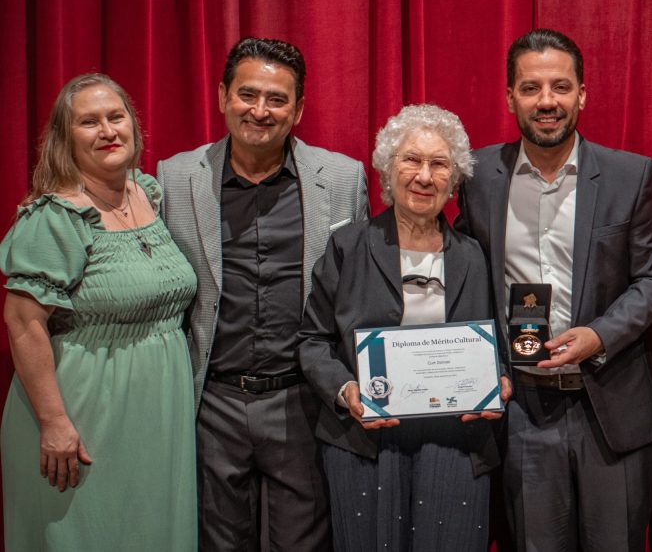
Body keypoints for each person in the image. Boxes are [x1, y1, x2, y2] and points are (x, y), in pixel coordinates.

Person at [455, 28, 652, 552]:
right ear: (510, 97)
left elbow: (651, 281)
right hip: (522, 411)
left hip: (608, 406)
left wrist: (599, 334)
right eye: (530, 88)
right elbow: (462, 277)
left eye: (560, 87)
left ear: (582, 94)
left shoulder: (629, 175)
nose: (546, 101)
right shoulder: (478, 176)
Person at [157, 37, 368, 550]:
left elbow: (359, 293)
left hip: (302, 400)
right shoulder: (175, 177)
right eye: (248, 94)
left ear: (298, 108)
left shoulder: (342, 178)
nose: (260, 110)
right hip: (212, 402)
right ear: (223, 96)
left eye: (277, 99)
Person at [297, 104, 508, 551]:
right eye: (411, 160)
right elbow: (312, 341)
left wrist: (499, 383)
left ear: (454, 180)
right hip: (365, 441)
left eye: (439, 164)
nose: (424, 176)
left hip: (457, 440)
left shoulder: (474, 254)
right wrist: (345, 391)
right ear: (387, 170)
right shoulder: (347, 246)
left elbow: (498, 342)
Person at [0, 74, 198, 550]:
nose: (107, 130)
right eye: (88, 122)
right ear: (65, 140)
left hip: (158, 409)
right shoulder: (56, 216)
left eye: (116, 116)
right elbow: (23, 322)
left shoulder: (147, 193)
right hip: (86, 412)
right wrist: (54, 422)